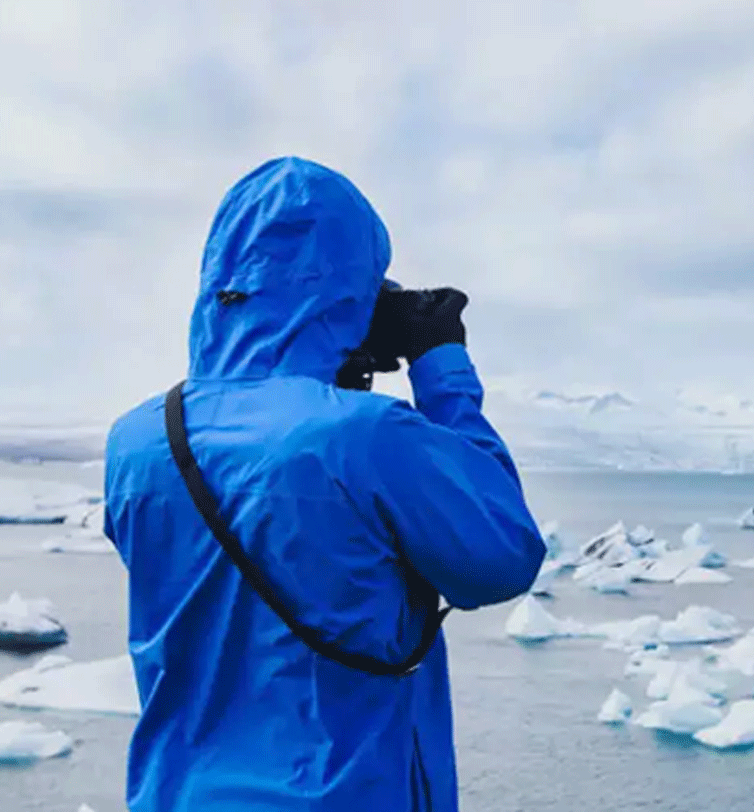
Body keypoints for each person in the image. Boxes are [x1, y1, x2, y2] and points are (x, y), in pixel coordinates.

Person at [103, 156, 547, 811]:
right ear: (348, 293)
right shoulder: (363, 435)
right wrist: (440, 363)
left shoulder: (137, 437)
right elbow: (501, 558)